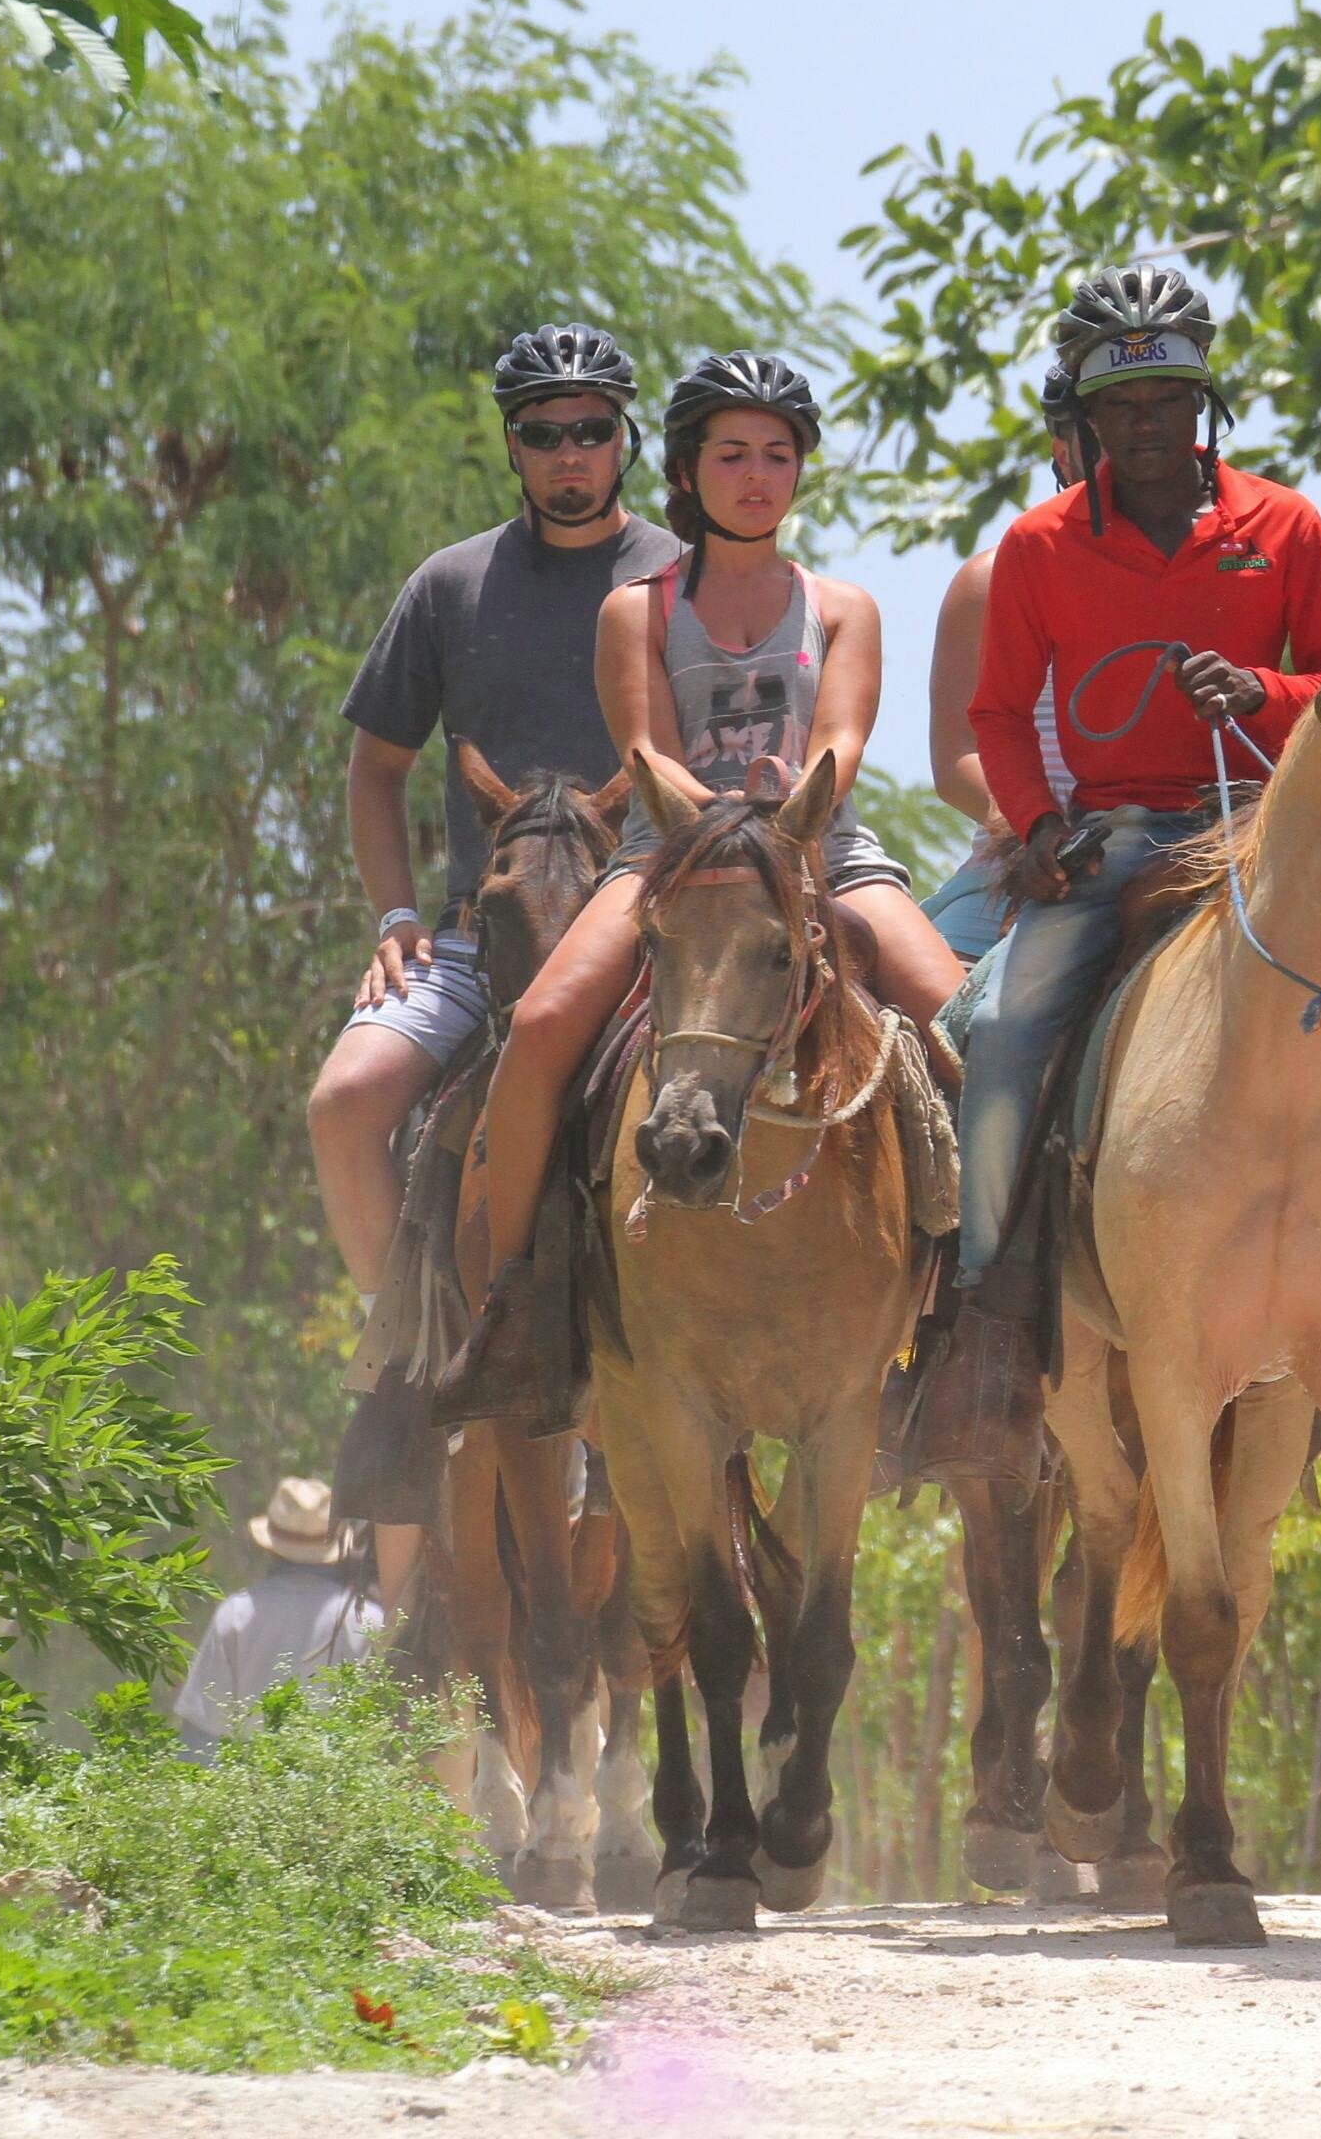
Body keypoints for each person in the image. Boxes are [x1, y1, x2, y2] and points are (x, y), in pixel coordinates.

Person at [928, 260, 1321, 1481]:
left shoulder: (1282, 526)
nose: (1148, 430)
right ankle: (988, 1322)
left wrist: (1266, 692)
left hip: (1262, 829)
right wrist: (1036, 820)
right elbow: (1003, 714)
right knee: (1003, 1026)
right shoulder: (1036, 545)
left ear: (1204, 404)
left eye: (1168, 403)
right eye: (1121, 410)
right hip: (1115, 837)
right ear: (1088, 417)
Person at [441, 351, 965, 1411]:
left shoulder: (844, 606)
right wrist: (725, 823)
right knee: (541, 1026)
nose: (759, 475)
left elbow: (842, 741)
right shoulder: (635, 608)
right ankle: (522, 1302)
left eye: (779, 454)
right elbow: (646, 749)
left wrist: (785, 821)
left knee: (970, 1026)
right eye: (733, 454)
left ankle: (972, 1312)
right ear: (687, 468)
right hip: (666, 857)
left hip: (822, 855)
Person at [313, 322, 676, 1604]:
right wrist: (397, 914)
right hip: (483, 934)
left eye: (593, 427)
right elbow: (377, 766)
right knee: (346, 1103)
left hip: (649, 927)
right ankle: (410, 1361)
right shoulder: (452, 585)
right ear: (511, 445)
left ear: (627, 435)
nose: (572, 453)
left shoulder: (680, 578)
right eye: (544, 431)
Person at [918, 369, 1084, 962]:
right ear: (1061, 452)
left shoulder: (1225, 565)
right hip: (1017, 856)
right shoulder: (990, 580)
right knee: (924, 1021)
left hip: (1179, 848)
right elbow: (956, 754)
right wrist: (1032, 825)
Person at [172, 1476, 387, 1753]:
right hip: (338, 1788)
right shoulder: (368, 1621)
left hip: (249, 1787)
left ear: (270, 1546)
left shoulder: (237, 1614)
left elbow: (201, 1735)